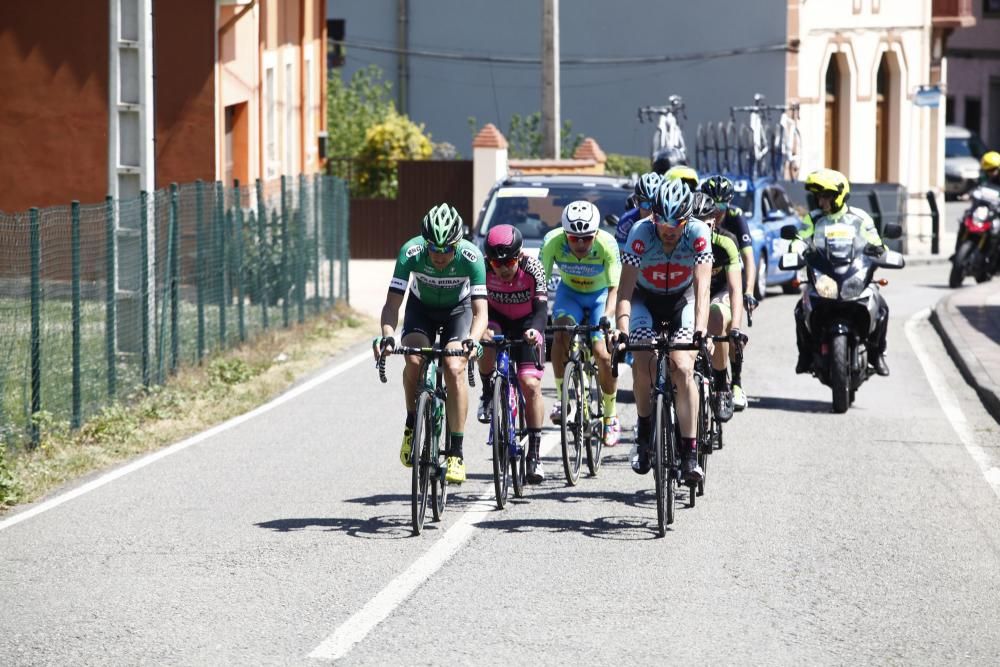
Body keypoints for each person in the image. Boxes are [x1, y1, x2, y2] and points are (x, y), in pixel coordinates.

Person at [373, 203, 488, 484]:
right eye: (433, 250)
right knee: (413, 357)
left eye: (446, 250)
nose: (439, 256)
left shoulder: (471, 256)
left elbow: (481, 312)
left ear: (457, 244)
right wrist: (388, 335)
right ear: (425, 244)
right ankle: (412, 422)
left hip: (457, 312)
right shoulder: (411, 252)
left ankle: (456, 453)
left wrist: (472, 341)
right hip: (420, 308)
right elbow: (391, 306)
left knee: (454, 365)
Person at [612, 178, 713, 482]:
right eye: (662, 223)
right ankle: (644, 436)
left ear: (688, 219)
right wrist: (622, 329)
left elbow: (703, 286)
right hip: (646, 300)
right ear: (653, 216)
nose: (669, 231)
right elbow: (625, 290)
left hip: (683, 300)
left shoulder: (698, 233)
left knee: (682, 366)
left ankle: (690, 453)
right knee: (643, 360)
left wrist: (701, 329)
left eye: (676, 224)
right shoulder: (640, 233)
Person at [793, 168, 890, 377]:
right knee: (801, 310)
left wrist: (882, 252)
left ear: (839, 195)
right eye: (819, 197)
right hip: (825, 276)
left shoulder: (860, 218)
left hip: (853, 275)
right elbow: (799, 240)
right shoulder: (813, 219)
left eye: (825, 197)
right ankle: (805, 355)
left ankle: (877, 353)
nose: (821, 203)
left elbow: (876, 242)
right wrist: (795, 253)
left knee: (882, 308)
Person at [541, 200, 622, 447]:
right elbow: (540, 284)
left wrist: (608, 316)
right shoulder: (552, 241)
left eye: (586, 238)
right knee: (561, 332)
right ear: (565, 233)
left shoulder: (607, 244)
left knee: (602, 353)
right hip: (570, 295)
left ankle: (610, 415)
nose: (579, 244)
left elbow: (614, 288)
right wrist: (540, 313)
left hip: (600, 298)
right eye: (573, 238)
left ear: (596, 233)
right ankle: (561, 397)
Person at [476, 224, 549, 483]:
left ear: (519, 257)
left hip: (527, 322)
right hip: (495, 319)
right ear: (488, 260)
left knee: (530, 384)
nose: (503, 268)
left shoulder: (533, 267)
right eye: (497, 263)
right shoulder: (481, 269)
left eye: (509, 262)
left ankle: (535, 455)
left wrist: (536, 332)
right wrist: (480, 331)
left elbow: (542, 309)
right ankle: (487, 392)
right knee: (486, 342)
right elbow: (473, 306)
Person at [698, 174, 757, 410]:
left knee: (727, 324)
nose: (717, 212)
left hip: (724, 283)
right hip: (699, 284)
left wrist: (749, 291)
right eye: (713, 205)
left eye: (723, 206)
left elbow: (748, 259)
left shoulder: (735, 219)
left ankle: (735, 383)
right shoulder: (696, 217)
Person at [691, 192, 746, 421]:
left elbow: (735, 289)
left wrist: (736, 328)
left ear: (713, 221)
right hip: (692, 292)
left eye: (704, 223)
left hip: (719, 292)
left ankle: (723, 384)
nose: (699, 229)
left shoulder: (726, 242)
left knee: (716, 315)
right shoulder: (683, 240)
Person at [615, 172, 662, 254]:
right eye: (645, 204)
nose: (651, 210)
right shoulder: (627, 221)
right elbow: (622, 256)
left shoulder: (672, 222)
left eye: (655, 204)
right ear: (637, 202)